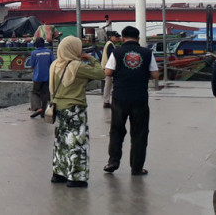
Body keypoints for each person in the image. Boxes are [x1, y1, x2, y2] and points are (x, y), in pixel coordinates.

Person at [49, 36, 105, 188]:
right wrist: (92, 59)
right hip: (75, 108)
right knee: (77, 142)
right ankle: (76, 177)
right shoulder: (77, 66)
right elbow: (101, 74)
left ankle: (59, 173)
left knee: (61, 141)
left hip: (58, 107)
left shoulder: (54, 64)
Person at [104, 25, 160, 176]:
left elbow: (108, 72)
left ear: (123, 38)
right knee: (139, 133)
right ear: (138, 38)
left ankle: (113, 162)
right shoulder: (147, 53)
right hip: (139, 97)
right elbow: (155, 75)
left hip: (120, 97)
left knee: (116, 130)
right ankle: (136, 168)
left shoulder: (117, 52)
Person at [29, 37, 55, 118]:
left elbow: (31, 65)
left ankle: (38, 107)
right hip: (47, 77)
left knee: (34, 92)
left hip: (37, 77)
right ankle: (43, 112)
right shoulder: (49, 52)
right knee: (45, 94)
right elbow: (53, 63)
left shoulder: (34, 53)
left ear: (36, 44)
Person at [101, 31, 120, 109]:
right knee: (108, 85)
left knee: (108, 85)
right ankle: (106, 101)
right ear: (111, 37)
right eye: (116, 37)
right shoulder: (110, 45)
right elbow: (111, 57)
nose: (117, 39)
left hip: (107, 67)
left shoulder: (110, 44)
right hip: (108, 68)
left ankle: (107, 101)